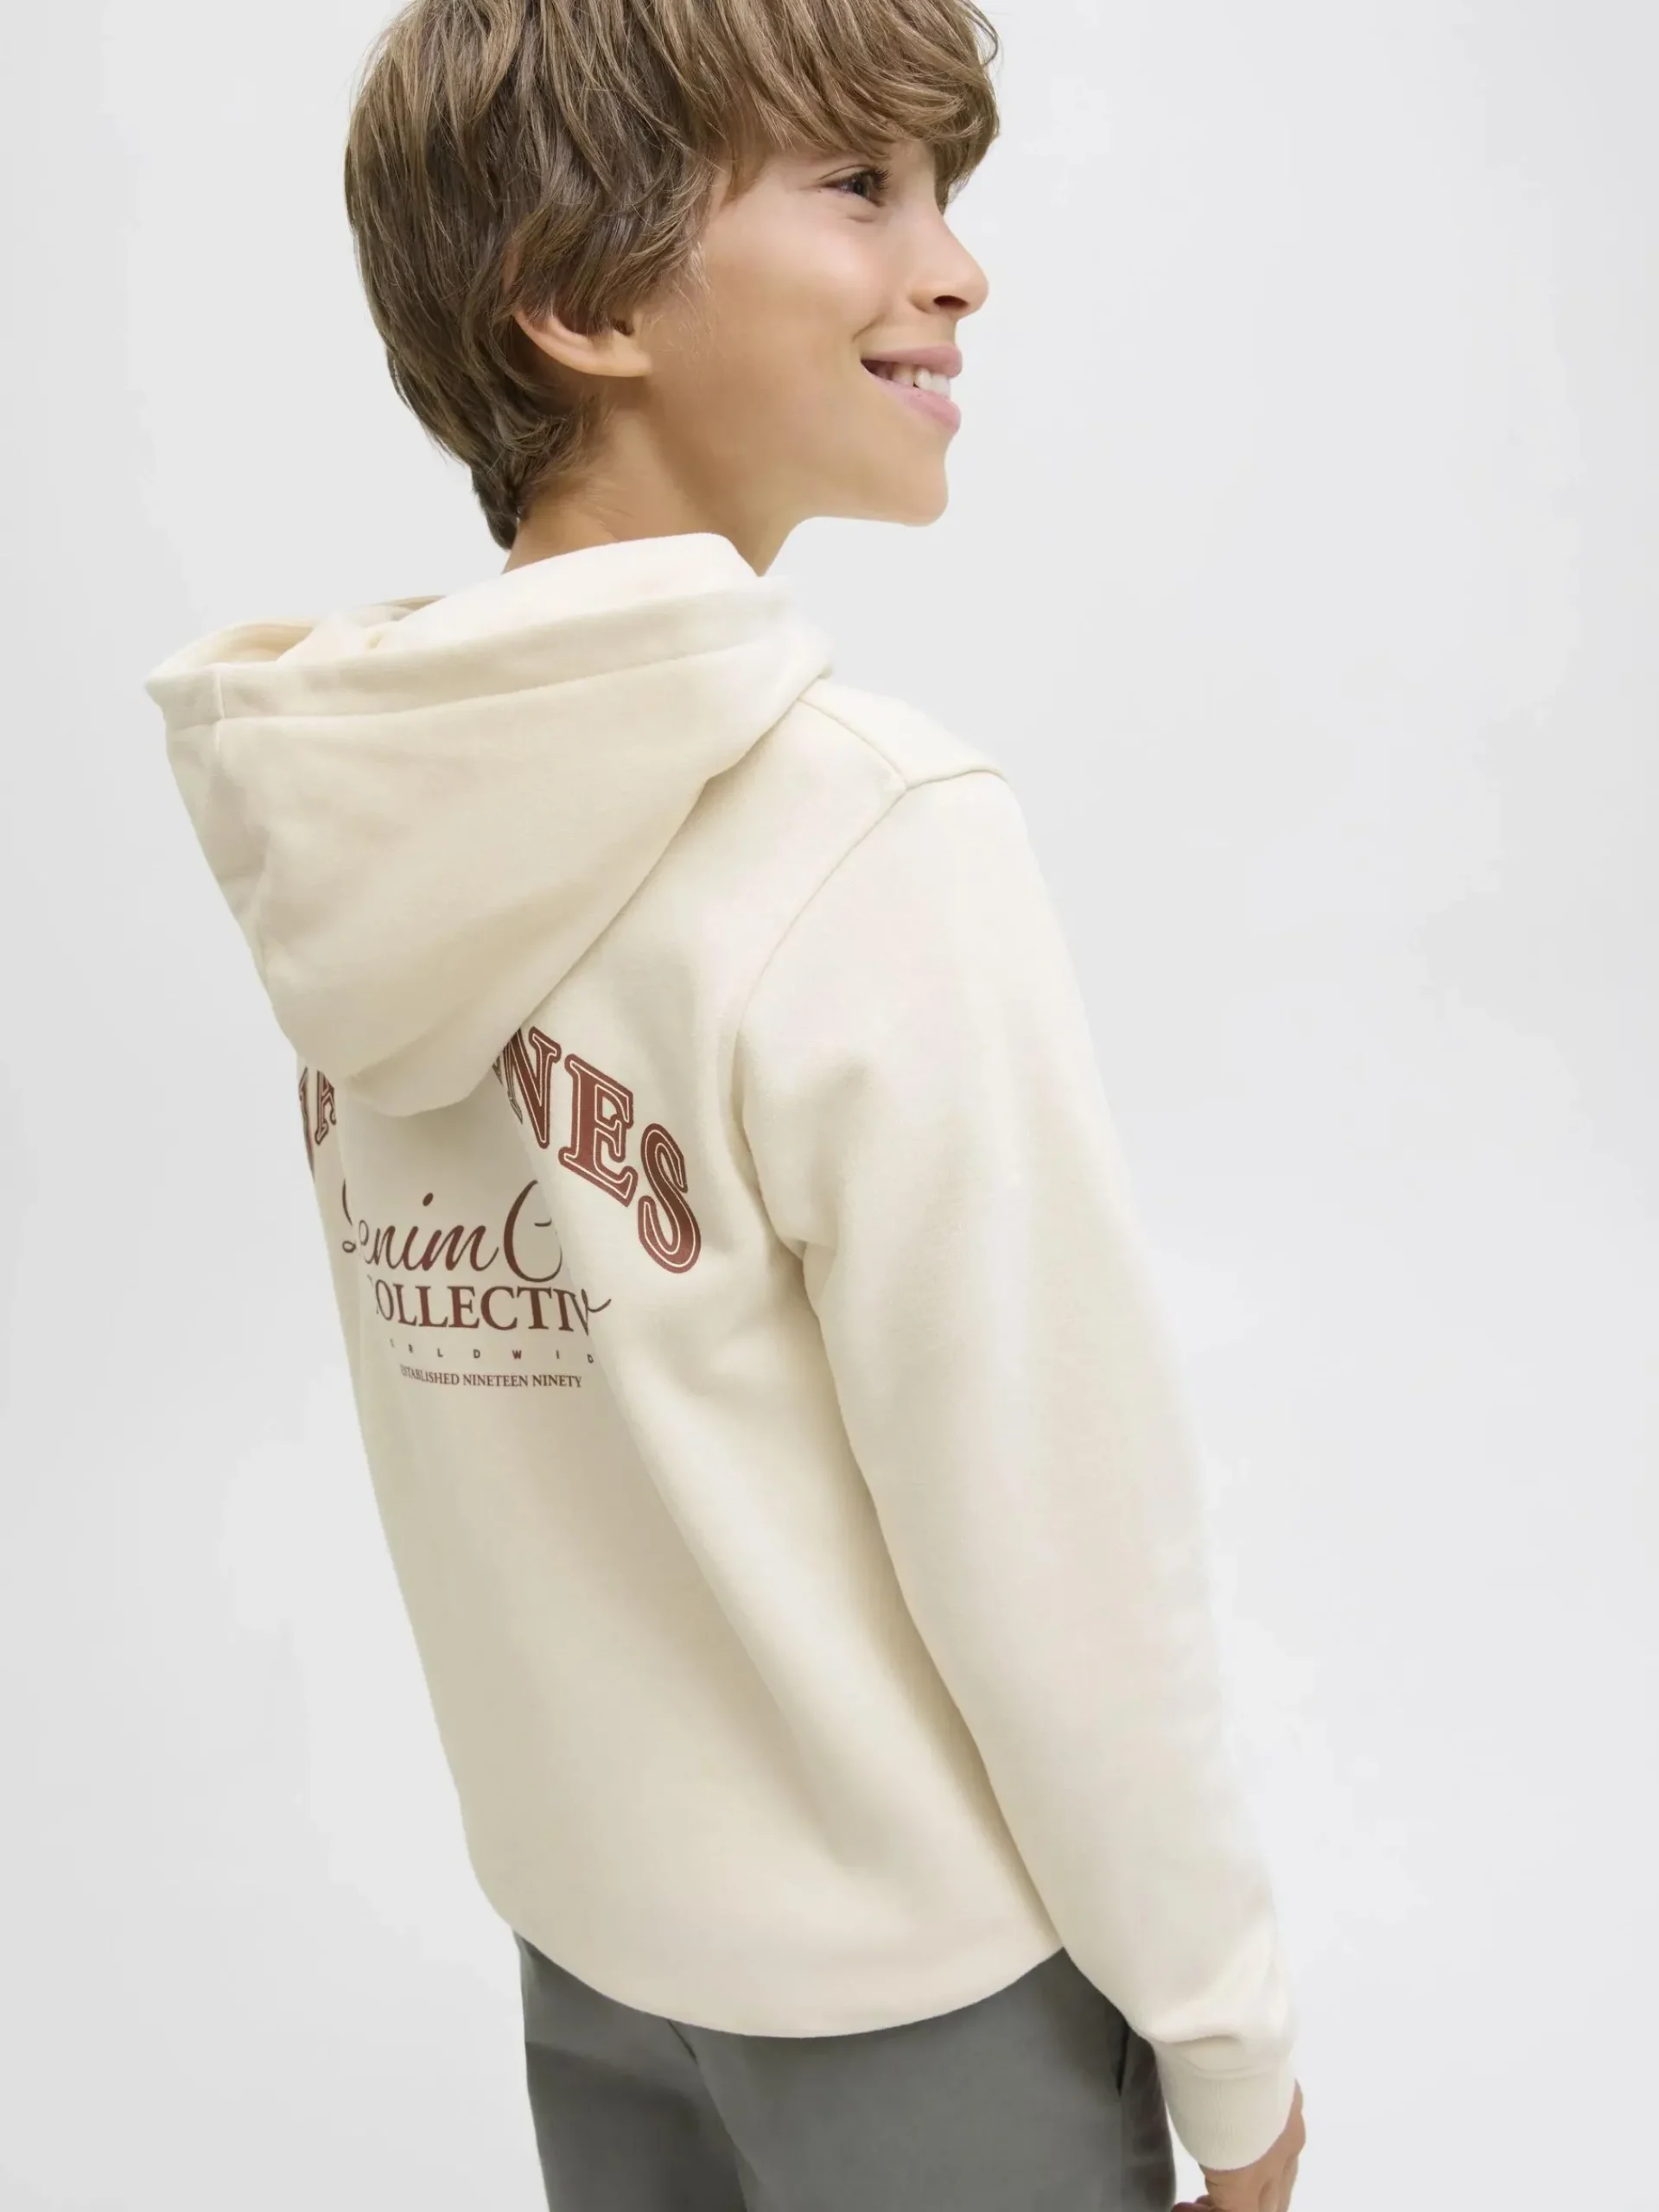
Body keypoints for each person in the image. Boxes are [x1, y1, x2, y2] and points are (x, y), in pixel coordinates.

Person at [145, 2, 1307, 2206]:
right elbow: (1059, 1540)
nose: (957, 266)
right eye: (859, 186)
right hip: (925, 2013)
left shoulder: (358, 813)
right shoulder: (872, 836)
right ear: (583, 298)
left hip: (589, 1953)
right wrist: (1230, 2041)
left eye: (940, 191)